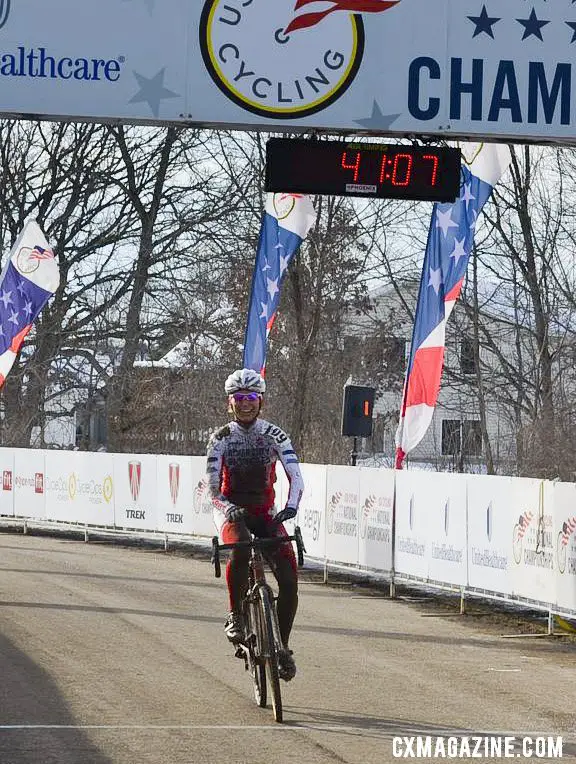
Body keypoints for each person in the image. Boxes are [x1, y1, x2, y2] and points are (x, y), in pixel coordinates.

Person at [206, 368, 304, 682]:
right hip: (231, 510)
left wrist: (291, 507)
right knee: (239, 549)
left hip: (265, 512)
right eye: (239, 398)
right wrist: (227, 506)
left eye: (251, 398)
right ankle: (235, 615)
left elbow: (295, 476)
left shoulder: (274, 434)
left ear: (260, 402)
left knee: (289, 579)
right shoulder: (220, 438)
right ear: (229, 403)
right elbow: (210, 487)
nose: (245, 404)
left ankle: (282, 648)